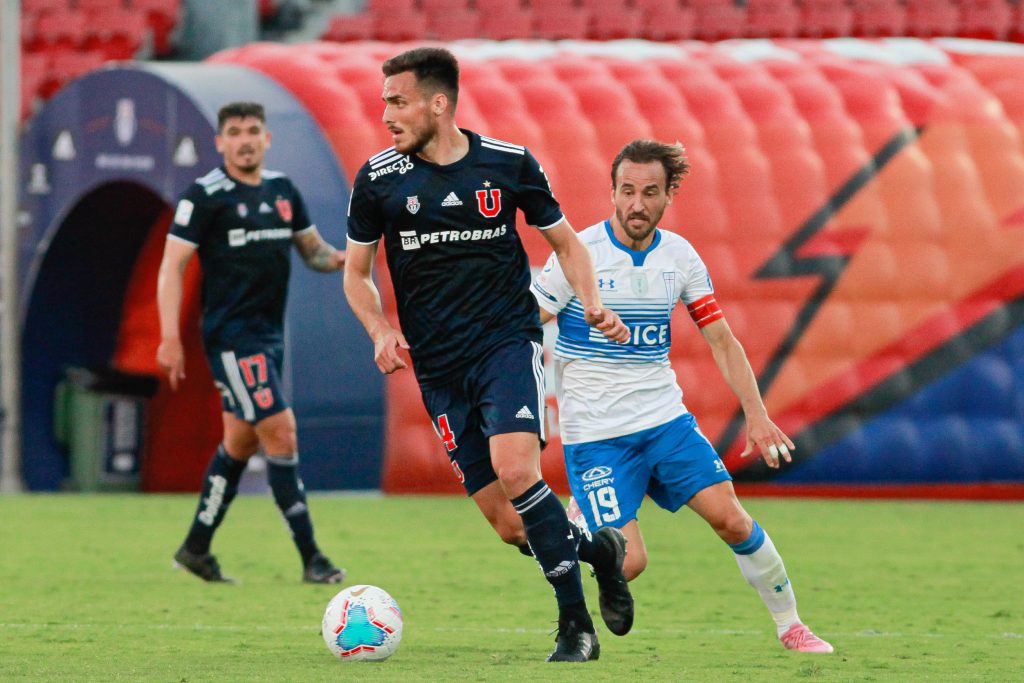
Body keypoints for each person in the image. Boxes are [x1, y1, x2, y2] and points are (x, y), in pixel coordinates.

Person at [343, 47, 633, 662]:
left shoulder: (508, 164)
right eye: (384, 101)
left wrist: (592, 301)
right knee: (509, 523)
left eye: (398, 101)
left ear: (438, 103)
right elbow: (356, 274)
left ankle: (575, 628)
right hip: (439, 367)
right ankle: (598, 550)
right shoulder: (378, 180)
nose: (387, 114)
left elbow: (569, 245)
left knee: (519, 470)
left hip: (506, 343)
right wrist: (378, 329)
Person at [531, 139, 835, 654]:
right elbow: (523, 322)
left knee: (732, 518)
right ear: (612, 191)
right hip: (598, 438)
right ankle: (571, 527)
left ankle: (792, 626)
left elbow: (721, 338)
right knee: (629, 563)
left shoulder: (680, 257)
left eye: (650, 192)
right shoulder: (578, 255)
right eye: (627, 191)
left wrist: (756, 415)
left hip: (665, 422)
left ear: (669, 194)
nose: (636, 204)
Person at [157, 101, 347, 585]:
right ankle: (312, 558)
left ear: (267, 139)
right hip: (232, 339)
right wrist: (169, 337)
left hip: (268, 337)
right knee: (281, 431)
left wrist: (353, 259)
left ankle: (196, 547)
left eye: (253, 131)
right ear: (220, 142)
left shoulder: (283, 192)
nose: (245, 139)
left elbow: (315, 253)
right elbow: (171, 266)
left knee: (239, 441)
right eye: (235, 132)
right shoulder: (204, 196)